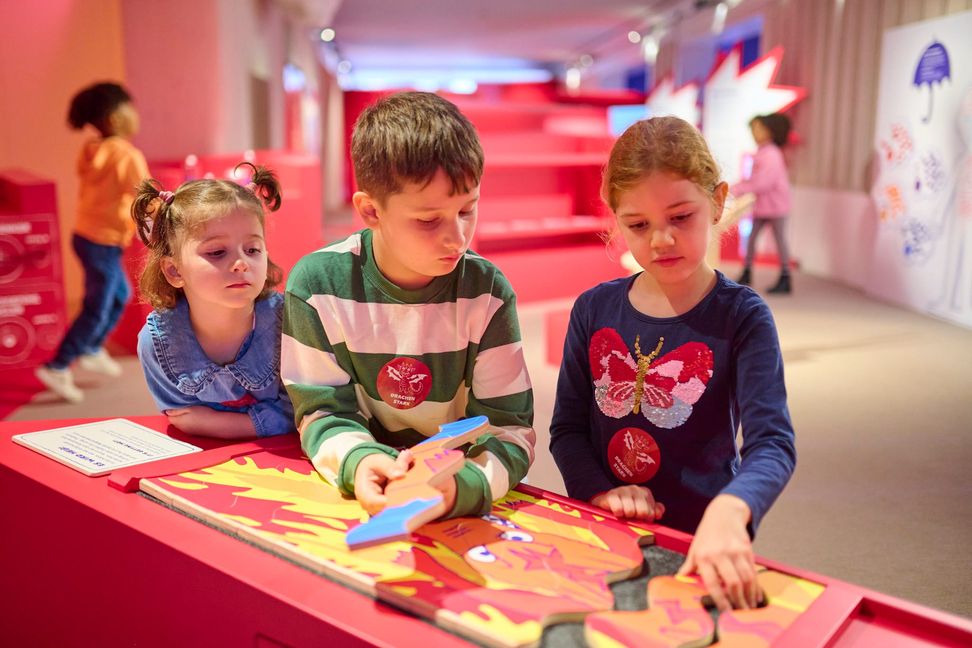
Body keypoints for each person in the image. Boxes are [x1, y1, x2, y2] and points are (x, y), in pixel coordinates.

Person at [549, 116, 796, 612]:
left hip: (700, 536)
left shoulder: (742, 316)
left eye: (681, 217)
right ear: (616, 220)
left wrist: (733, 510)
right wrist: (599, 492)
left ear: (718, 201)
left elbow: (772, 443)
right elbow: (567, 430)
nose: (660, 240)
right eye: (638, 226)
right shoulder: (593, 309)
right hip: (608, 530)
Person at [281, 91, 535, 519]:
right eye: (428, 220)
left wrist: (463, 485)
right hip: (363, 498)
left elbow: (509, 431)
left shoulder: (486, 292)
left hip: (458, 489)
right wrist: (359, 460)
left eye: (468, 210)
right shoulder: (317, 285)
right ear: (370, 211)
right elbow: (322, 411)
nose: (457, 237)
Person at [131, 163, 294, 439]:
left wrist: (216, 424)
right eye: (217, 252)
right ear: (174, 270)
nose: (242, 263)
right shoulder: (157, 342)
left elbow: (305, 413)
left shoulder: (291, 323)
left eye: (253, 249)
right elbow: (179, 416)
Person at [35, 82, 149, 403]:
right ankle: (57, 365)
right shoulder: (126, 154)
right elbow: (145, 195)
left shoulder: (92, 150)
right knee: (97, 306)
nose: (136, 115)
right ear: (115, 118)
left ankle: (91, 347)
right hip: (102, 241)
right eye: (131, 108)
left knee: (119, 295)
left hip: (87, 236)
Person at [734, 112, 794, 294]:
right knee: (752, 239)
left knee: (780, 241)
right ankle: (747, 271)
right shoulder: (763, 153)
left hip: (775, 206)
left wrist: (736, 189)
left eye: (759, 128)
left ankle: (785, 276)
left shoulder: (771, 154)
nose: (755, 132)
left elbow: (763, 182)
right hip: (763, 206)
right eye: (754, 129)